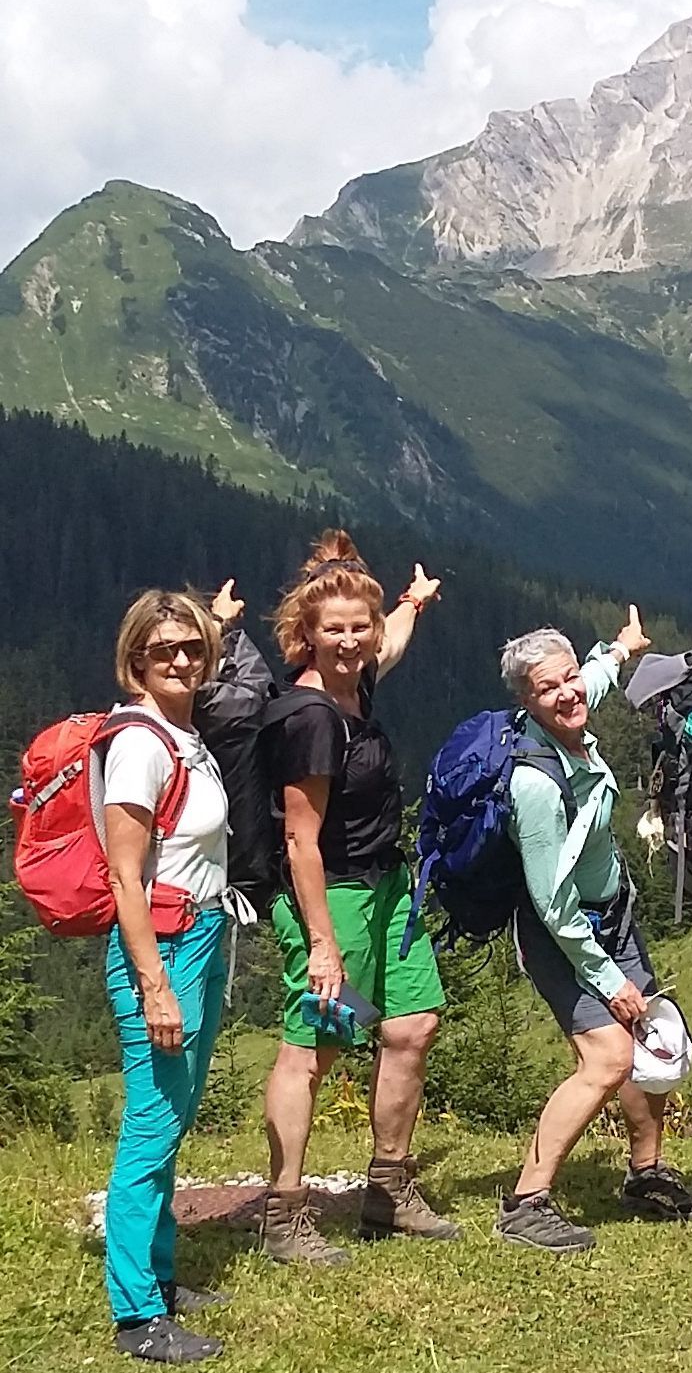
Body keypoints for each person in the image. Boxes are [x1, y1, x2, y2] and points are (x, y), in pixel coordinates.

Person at [258, 530, 455, 1266]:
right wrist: (321, 943)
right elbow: (299, 842)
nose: (349, 641)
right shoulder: (311, 716)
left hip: (386, 885)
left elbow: (390, 644)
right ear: (303, 635)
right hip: (331, 895)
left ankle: (388, 1187)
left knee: (411, 1024)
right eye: (332, 630)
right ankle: (283, 1213)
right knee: (314, 1048)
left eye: (357, 628)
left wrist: (411, 602)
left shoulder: (358, 676)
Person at [493, 611, 692, 1253]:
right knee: (608, 1059)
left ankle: (645, 1174)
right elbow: (552, 902)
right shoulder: (534, 783)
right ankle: (526, 1201)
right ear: (525, 701)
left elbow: (594, 678)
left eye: (567, 680)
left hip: (612, 911)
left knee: (646, 1036)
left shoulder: (572, 704)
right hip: (567, 932)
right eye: (547, 689)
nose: (567, 694)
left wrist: (619, 648)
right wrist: (609, 979)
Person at [100, 587, 252, 1365]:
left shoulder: (184, 734)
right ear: (136, 660)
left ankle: (158, 1276)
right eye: (165, 650)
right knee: (151, 1128)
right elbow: (124, 877)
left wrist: (211, 617)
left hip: (198, 935)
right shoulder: (139, 744)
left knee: (175, 1117)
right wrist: (154, 983)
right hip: (159, 949)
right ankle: (137, 1313)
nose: (183, 660)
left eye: (193, 648)